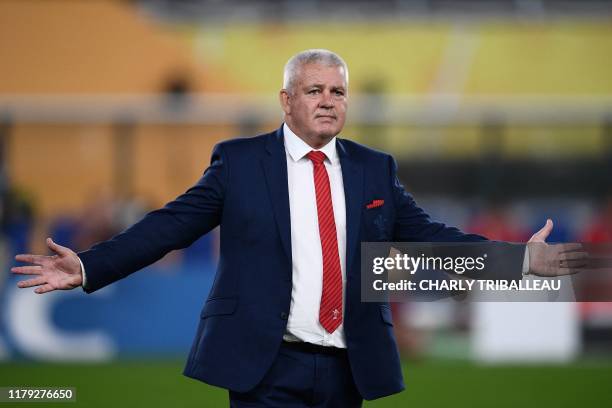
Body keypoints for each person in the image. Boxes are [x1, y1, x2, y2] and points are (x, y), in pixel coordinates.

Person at [11, 49, 587, 407]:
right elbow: (171, 226)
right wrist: (89, 265)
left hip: (348, 366)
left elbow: (431, 237)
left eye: (338, 91)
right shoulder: (238, 162)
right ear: (286, 101)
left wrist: (519, 260)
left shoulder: (374, 167)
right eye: (314, 90)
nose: (328, 100)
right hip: (266, 366)